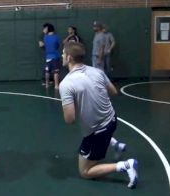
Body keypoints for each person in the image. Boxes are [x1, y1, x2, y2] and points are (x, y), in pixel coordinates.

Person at [59, 42, 138, 189]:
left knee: (85, 171)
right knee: (100, 128)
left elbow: (69, 119)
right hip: (112, 120)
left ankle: (126, 165)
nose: (62, 55)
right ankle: (115, 144)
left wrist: (75, 101)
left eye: (63, 53)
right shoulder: (97, 71)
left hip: (97, 132)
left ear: (69, 57)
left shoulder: (66, 84)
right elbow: (113, 92)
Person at [39, 23, 61, 89]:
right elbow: (59, 45)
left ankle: (47, 84)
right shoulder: (56, 37)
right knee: (56, 71)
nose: (44, 30)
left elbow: (42, 45)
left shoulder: (45, 37)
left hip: (48, 57)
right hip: (55, 56)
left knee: (47, 71)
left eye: (45, 28)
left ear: (48, 29)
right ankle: (56, 85)